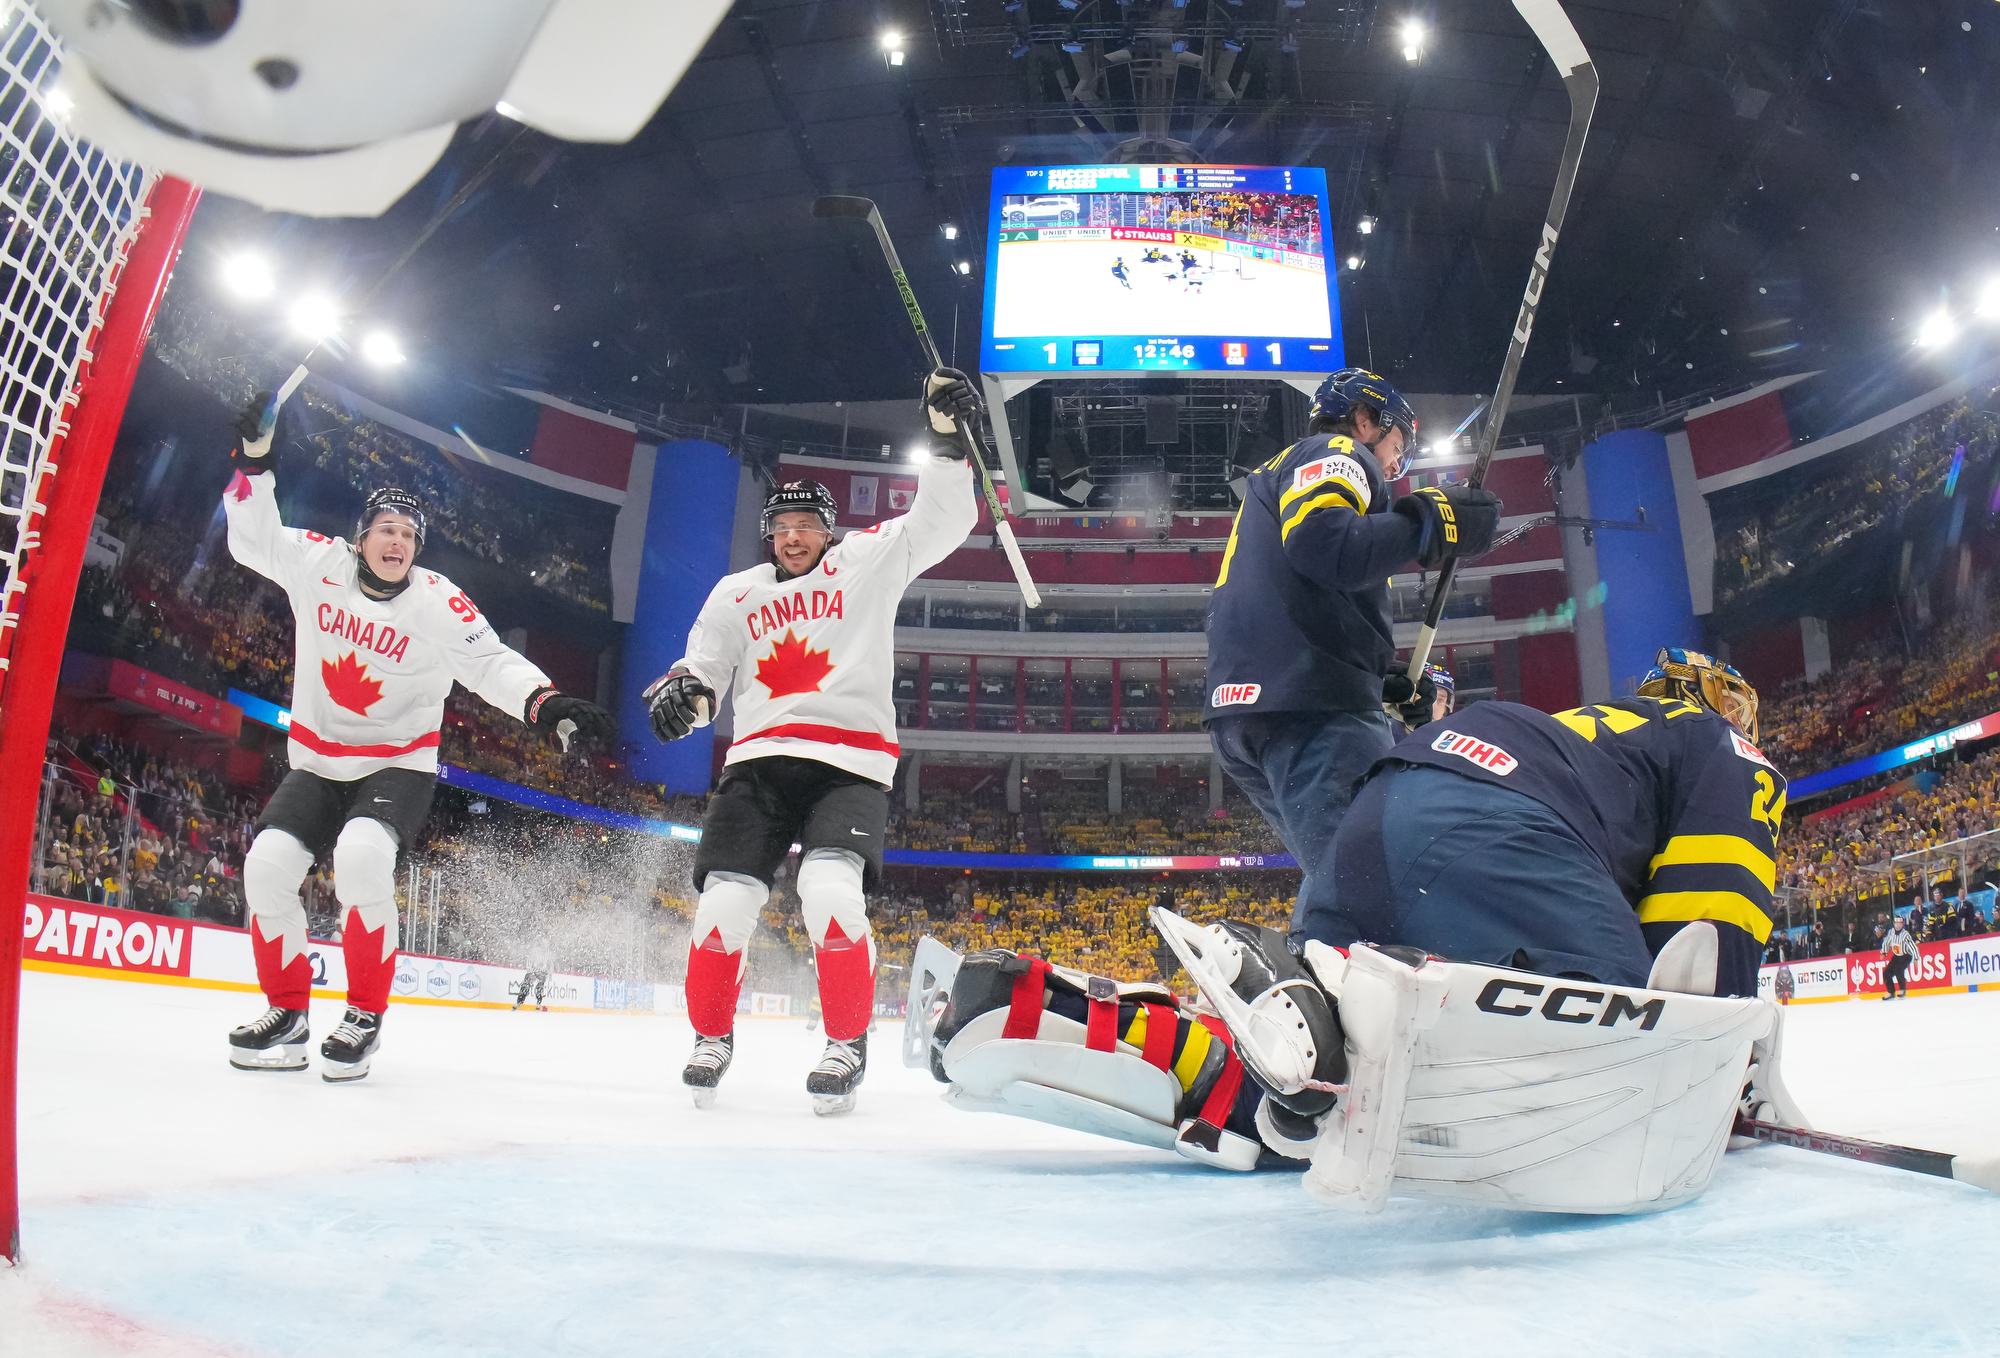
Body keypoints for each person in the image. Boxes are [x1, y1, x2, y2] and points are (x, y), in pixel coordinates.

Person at [221, 386, 612, 1082]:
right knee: (266, 868)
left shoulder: (439, 603)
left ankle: (363, 1017)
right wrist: (254, 462)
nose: (398, 541)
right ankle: (287, 1012)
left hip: (394, 766)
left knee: (361, 860)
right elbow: (254, 541)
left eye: (408, 533)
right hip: (317, 762)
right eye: (386, 529)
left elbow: (490, 662)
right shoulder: (319, 564)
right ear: (360, 538)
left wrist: (544, 702)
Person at [645, 367, 980, 1114]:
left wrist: (946, 439)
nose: (793, 536)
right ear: (769, 533)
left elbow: (943, 520)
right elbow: (703, 676)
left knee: (829, 894)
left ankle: (846, 1043)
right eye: (782, 526)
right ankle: (711, 1036)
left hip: (848, 765)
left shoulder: (868, 561)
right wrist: (683, 701)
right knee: (722, 907)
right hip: (758, 765)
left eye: (807, 525)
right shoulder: (736, 593)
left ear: (828, 531)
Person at [1203, 368, 1503, 948]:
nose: (1397, 463)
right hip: (1312, 707)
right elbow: (1326, 545)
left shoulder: (1276, 477)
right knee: (1369, 882)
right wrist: (1432, 522)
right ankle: (1318, 985)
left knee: (1340, 870)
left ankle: (1313, 977)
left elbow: (1296, 595)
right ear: (1365, 421)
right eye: (1398, 444)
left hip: (1249, 709)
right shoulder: (1338, 451)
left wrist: (1378, 680)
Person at [1324, 646, 1783, 1000]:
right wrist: (1718, 1035)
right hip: (1503, 819)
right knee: (1632, 1025)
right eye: (1733, 706)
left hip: (1380, 802)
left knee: (1336, 1001)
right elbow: (1715, 908)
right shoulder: (1712, 736)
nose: (1737, 721)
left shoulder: (1582, 728)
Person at [1881, 913, 1916, 1000]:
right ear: (1894, 923)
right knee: (1886, 973)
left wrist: (1916, 958)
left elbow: (1913, 946)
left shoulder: (1905, 934)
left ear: (1902, 924)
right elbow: (1887, 942)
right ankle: (1891, 992)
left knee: (1898, 970)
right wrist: (1884, 952)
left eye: (1900, 923)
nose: (1898, 925)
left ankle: (1902, 989)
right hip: (1896, 955)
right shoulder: (1891, 932)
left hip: (1906, 955)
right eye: (1896, 923)